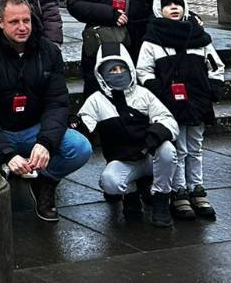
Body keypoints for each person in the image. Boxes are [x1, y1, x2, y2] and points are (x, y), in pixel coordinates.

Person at [0, 0, 92, 221]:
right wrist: (7, 154)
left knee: (80, 147)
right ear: (0, 22)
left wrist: (45, 142)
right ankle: (1, 178)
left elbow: (57, 103)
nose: (22, 27)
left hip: (34, 128)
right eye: (14, 22)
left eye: (26, 20)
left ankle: (46, 180)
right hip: (0, 130)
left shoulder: (49, 51)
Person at [136, 0, 225, 220]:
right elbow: (143, 71)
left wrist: (213, 88)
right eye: (167, 4)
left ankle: (197, 187)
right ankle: (179, 190)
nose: (173, 8)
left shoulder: (198, 36)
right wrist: (158, 92)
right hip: (170, 104)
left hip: (197, 100)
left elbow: (215, 65)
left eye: (177, 3)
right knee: (178, 148)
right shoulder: (153, 39)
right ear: (159, 9)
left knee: (195, 147)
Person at [76, 45, 179, 227]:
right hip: (123, 161)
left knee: (168, 151)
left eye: (121, 68)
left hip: (149, 157)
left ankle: (161, 198)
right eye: (112, 70)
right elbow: (85, 124)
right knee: (109, 182)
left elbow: (168, 121)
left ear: (130, 68)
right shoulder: (96, 100)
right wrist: (75, 126)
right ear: (101, 73)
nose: (118, 73)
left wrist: (153, 138)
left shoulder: (144, 94)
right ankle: (131, 195)